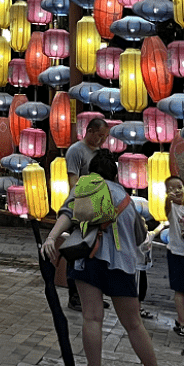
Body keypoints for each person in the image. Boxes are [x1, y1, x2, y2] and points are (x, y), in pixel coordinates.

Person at [41, 151, 165, 366]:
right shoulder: (126, 200)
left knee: (92, 318)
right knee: (133, 324)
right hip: (121, 265)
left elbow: (67, 213)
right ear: (115, 173)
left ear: (91, 171)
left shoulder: (84, 188)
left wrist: (52, 237)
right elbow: (141, 238)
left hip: (89, 260)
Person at [63, 117, 112, 310]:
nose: (102, 140)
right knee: (78, 250)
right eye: (100, 135)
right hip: (82, 207)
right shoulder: (76, 151)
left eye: (105, 137)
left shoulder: (100, 153)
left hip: (99, 208)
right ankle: (74, 296)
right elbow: (73, 182)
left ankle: (93, 295)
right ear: (89, 131)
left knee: (96, 252)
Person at [151, 175, 184, 339]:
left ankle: (182, 319)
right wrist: (168, 199)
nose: (176, 191)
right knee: (180, 289)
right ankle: (183, 323)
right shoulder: (172, 208)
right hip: (177, 254)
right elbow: (167, 207)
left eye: (179, 187)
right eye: (171, 189)